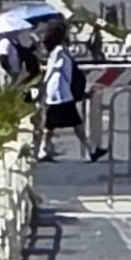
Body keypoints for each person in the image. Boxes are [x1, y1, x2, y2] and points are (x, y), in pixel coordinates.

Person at [38, 22, 88, 162]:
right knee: (72, 124)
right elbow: (50, 71)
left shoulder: (59, 50)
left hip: (59, 93)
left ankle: (43, 149)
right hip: (60, 93)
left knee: (53, 125)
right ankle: (91, 150)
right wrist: (42, 87)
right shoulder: (59, 50)